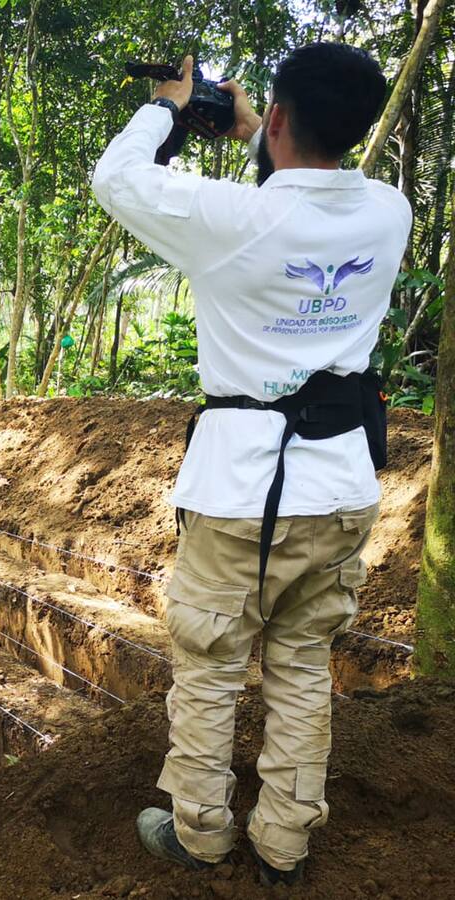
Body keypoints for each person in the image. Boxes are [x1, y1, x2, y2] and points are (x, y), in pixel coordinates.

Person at [91, 43, 411, 886]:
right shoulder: (391, 212)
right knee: (303, 665)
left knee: (210, 667)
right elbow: (301, 205)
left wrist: (170, 104)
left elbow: (119, 178)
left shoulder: (234, 220)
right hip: (340, 486)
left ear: (275, 119)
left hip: (241, 491)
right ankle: (285, 841)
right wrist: (255, 129)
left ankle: (199, 831)